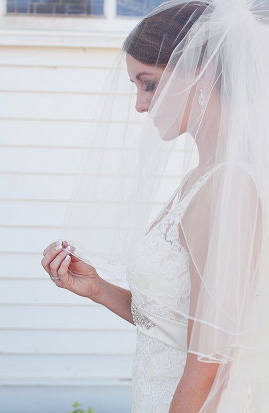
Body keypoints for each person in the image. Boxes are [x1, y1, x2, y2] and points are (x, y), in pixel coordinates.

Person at [41, 0, 269, 411]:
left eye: (148, 83)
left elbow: (208, 363)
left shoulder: (229, 184)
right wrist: (98, 289)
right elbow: (181, 327)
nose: (140, 105)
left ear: (200, 74)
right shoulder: (201, 178)